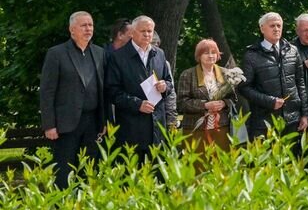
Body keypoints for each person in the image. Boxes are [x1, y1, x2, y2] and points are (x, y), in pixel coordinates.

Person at [40, 11, 106, 188]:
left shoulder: (100, 53)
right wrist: (49, 124)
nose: (88, 29)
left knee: (89, 170)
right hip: (65, 124)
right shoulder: (57, 53)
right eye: (83, 25)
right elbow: (47, 91)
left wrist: (105, 120)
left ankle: (85, 209)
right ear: (72, 30)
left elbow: (103, 90)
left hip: (93, 122)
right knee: (64, 171)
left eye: (90, 25)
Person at [105, 15, 174, 161]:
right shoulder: (118, 57)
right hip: (131, 128)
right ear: (132, 33)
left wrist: (165, 86)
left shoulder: (159, 54)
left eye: (150, 31)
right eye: (143, 31)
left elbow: (169, 82)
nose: (147, 34)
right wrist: (137, 104)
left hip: (157, 127)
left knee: (157, 176)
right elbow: (112, 92)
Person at [239, 12, 308, 142]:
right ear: (262, 28)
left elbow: (300, 84)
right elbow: (244, 88)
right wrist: (269, 101)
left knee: (291, 160)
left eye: (279, 25)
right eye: (272, 26)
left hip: (291, 120)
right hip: (264, 122)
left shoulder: (292, 51)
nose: (276, 29)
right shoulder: (252, 55)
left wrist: (304, 114)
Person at [177, 38, 236, 151]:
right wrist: (205, 105)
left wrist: (223, 103)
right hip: (195, 129)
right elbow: (181, 103)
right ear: (199, 56)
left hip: (221, 128)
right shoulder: (187, 74)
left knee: (219, 165)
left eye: (213, 52)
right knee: (197, 166)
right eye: (206, 53)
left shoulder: (226, 73)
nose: (210, 56)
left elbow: (233, 99)